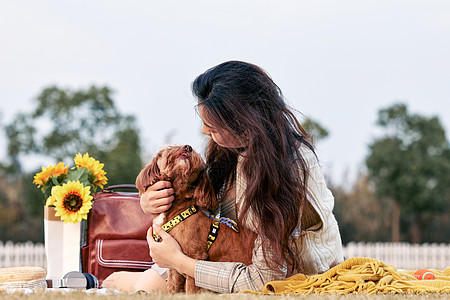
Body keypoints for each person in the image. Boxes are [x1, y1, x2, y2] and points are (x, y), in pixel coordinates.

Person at [102, 61, 343, 293]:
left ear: (246, 125)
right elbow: (199, 199)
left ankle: (123, 279)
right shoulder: (237, 149)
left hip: (278, 273)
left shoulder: (282, 170)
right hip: (224, 255)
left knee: (144, 287)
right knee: (136, 283)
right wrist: (151, 202)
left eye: (213, 127)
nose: (204, 131)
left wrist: (179, 261)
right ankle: (114, 279)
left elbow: (264, 279)